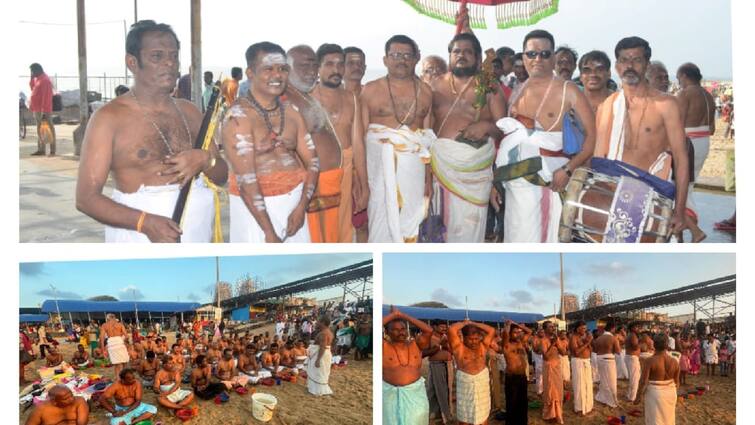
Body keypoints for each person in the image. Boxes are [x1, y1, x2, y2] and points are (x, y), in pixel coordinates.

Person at [76, 20, 228, 243]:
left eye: (174, 56)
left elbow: (222, 175)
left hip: (198, 236)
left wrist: (205, 161)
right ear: (132, 62)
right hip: (139, 239)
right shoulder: (109, 118)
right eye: (157, 56)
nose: (169, 63)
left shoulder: (190, 111)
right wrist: (144, 223)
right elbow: (86, 198)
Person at [494, 29, 595, 243]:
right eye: (531, 54)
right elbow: (509, 140)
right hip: (514, 186)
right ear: (523, 57)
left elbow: (591, 140)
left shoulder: (569, 90)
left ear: (553, 58)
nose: (537, 59)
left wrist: (568, 170)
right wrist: (496, 183)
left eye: (545, 54)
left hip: (548, 182)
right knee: (515, 238)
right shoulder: (517, 91)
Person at [222, 42, 318, 243]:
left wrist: (302, 207)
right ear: (250, 72)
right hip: (256, 218)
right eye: (268, 69)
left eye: (283, 69)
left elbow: (313, 163)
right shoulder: (238, 118)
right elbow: (246, 181)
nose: (277, 75)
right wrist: (268, 232)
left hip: (295, 211)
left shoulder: (292, 112)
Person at [594, 37, 689, 236]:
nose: (630, 65)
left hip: (652, 200)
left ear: (647, 64)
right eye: (624, 60)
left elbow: (681, 159)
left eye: (636, 60)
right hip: (610, 198)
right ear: (618, 66)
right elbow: (599, 161)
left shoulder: (666, 105)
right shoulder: (607, 107)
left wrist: (679, 211)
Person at [430, 31, 506, 242]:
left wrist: (486, 126)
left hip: (475, 174)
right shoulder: (434, 86)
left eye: (467, 52)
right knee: (439, 229)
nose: (461, 56)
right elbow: (424, 129)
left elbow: (504, 129)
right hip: (440, 168)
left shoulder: (491, 88)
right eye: (456, 52)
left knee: (470, 230)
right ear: (449, 56)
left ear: (478, 58)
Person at [293, 43, 369, 242]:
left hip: (346, 169)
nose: (336, 70)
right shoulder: (306, 99)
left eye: (340, 64)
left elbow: (358, 144)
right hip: (317, 172)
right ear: (318, 68)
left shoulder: (351, 98)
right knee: (316, 228)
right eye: (329, 64)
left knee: (343, 227)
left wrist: (363, 183)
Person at [361, 35, 434, 243]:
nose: (401, 59)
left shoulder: (426, 92)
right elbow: (360, 138)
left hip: (415, 173)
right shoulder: (370, 90)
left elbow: (426, 141)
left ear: (415, 59)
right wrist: (361, 182)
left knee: (410, 224)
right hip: (379, 176)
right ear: (385, 60)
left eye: (406, 55)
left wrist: (429, 179)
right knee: (380, 225)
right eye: (395, 55)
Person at [676, 62, 715, 243]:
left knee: (678, 187)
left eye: (678, 78)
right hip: (703, 142)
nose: (678, 82)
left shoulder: (685, 94)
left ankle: (694, 229)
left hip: (688, 143)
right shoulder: (708, 96)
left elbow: (677, 124)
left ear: (684, 75)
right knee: (688, 187)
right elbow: (712, 129)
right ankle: (682, 235)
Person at [383, 306, 433, 425]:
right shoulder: (384, 347)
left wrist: (402, 315)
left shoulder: (416, 344)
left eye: (403, 328)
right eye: (395, 329)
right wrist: (393, 316)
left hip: (415, 394)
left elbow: (429, 331)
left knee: (418, 420)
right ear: (387, 332)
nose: (401, 332)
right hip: (391, 395)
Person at [448, 319, 496, 425]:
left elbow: (492, 330)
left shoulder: (483, 346)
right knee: (464, 416)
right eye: (470, 339)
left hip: (481, 384)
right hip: (465, 385)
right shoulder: (458, 348)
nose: (474, 342)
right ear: (463, 338)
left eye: (476, 338)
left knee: (483, 415)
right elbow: (452, 329)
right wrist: (465, 323)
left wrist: (474, 323)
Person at [635, 335, 680, 425]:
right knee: (668, 419)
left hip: (655, 394)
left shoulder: (649, 361)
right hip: (671, 393)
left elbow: (643, 381)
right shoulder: (674, 361)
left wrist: (638, 397)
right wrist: (670, 392)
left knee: (655, 420)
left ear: (654, 345)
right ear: (667, 346)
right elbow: (677, 383)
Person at [501, 320, 532, 425]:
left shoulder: (521, 343)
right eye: (515, 332)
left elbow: (529, 332)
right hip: (512, 378)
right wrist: (508, 325)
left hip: (522, 377)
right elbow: (505, 334)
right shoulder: (506, 345)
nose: (518, 334)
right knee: (512, 403)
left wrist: (518, 325)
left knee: (523, 402)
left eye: (519, 332)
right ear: (510, 334)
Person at [422, 321, 453, 424]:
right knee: (441, 390)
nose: (444, 329)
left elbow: (452, 351)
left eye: (445, 327)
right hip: (437, 365)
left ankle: (434, 413)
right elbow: (424, 353)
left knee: (435, 390)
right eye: (441, 327)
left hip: (447, 364)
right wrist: (440, 346)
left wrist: (446, 346)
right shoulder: (430, 338)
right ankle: (446, 415)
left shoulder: (446, 337)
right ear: (434, 327)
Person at [538, 321, 567, 424]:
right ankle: (550, 414)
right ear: (545, 329)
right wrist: (552, 344)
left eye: (553, 326)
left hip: (557, 367)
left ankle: (558, 413)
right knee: (551, 390)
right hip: (549, 367)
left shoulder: (556, 339)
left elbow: (564, 353)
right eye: (550, 327)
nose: (553, 328)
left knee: (558, 390)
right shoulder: (543, 341)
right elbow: (545, 357)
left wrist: (557, 343)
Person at [28, 63, 56, 156]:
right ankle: (41, 149)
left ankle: (52, 149)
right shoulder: (38, 79)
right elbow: (32, 88)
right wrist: (31, 78)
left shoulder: (45, 80)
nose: (32, 73)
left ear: (38, 70)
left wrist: (44, 111)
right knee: (40, 129)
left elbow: (47, 97)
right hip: (37, 109)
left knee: (49, 129)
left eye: (32, 71)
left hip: (44, 110)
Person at [24, 385, 89, 425]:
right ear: (54, 402)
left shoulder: (79, 401)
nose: (71, 399)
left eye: (71, 395)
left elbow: (82, 422)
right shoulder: (41, 410)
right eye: (66, 398)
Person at [594, 320, 621, 408]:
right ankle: (611, 401)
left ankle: (603, 397)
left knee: (603, 380)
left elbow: (595, 350)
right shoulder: (613, 338)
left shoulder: (598, 338)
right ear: (612, 328)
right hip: (608, 359)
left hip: (599, 358)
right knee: (611, 381)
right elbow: (618, 351)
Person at [569, 321, 594, 416]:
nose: (584, 330)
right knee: (579, 385)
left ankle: (588, 406)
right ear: (577, 328)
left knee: (588, 384)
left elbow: (591, 350)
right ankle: (579, 408)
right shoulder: (573, 338)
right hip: (578, 362)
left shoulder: (584, 337)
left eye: (585, 328)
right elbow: (576, 352)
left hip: (586, 361)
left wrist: (589, 341)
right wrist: (587, 342)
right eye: (583, 328)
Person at [307, 316, 334, 395]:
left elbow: (322, 347)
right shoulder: (329, 332)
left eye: (318, 321)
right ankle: (316, 389)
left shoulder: (323, 334)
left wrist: (318, 360)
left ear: (323, 323)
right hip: (325, 354)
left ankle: (317, 390)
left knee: (318, 372)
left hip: (321, 355)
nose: (317, 323)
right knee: (321, 372)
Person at [100, 313, 130, 380]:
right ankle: (124, 378)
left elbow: (102, 338)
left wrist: (103, 350)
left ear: (107, 318)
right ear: (114, 318)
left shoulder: (105, 325)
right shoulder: (120, 324)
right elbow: (127, 336)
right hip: (119, 342)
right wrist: (124, 341)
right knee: (124, 362)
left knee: (117, 364)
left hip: (111, 343)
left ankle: (119, 379)